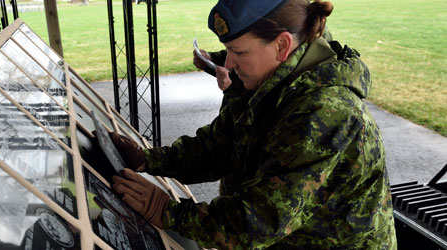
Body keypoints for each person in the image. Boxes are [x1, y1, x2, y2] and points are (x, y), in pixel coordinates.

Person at [109, 0, 397, 249]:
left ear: (282, 45)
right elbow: (222, 147)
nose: (229, 63)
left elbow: (259, 221)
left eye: (240, 52)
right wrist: (150, 160)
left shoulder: (325, 113)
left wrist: (165, 211)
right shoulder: (270, 83)